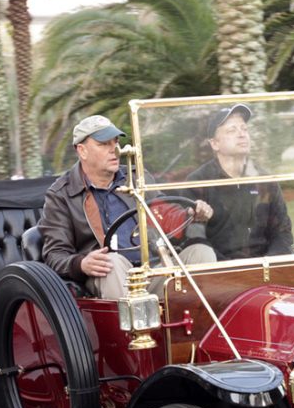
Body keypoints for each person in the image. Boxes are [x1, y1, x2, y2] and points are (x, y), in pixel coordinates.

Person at [40, 114, 215, 299]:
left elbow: (163, 214)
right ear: (82, 151)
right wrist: (81, 263)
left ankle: (207, 325)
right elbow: (54, 255)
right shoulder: (61, 194)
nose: (114, 150)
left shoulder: (137, 177)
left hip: (154, 267)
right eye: (103, 144)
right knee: (111, 263)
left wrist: (190, 214)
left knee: (201, 253)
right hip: (114, 274)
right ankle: (134, 328)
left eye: (115, 142)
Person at [186, 103, 293, 260]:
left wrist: (270, 262)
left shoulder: (265, 180)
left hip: (266, 268)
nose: (241, 134)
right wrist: (235, 272)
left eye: (244, 129)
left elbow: (282, 232)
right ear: (214, 144)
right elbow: (194, 240)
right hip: (219, 272)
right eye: (232, 130)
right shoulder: (197, 182)